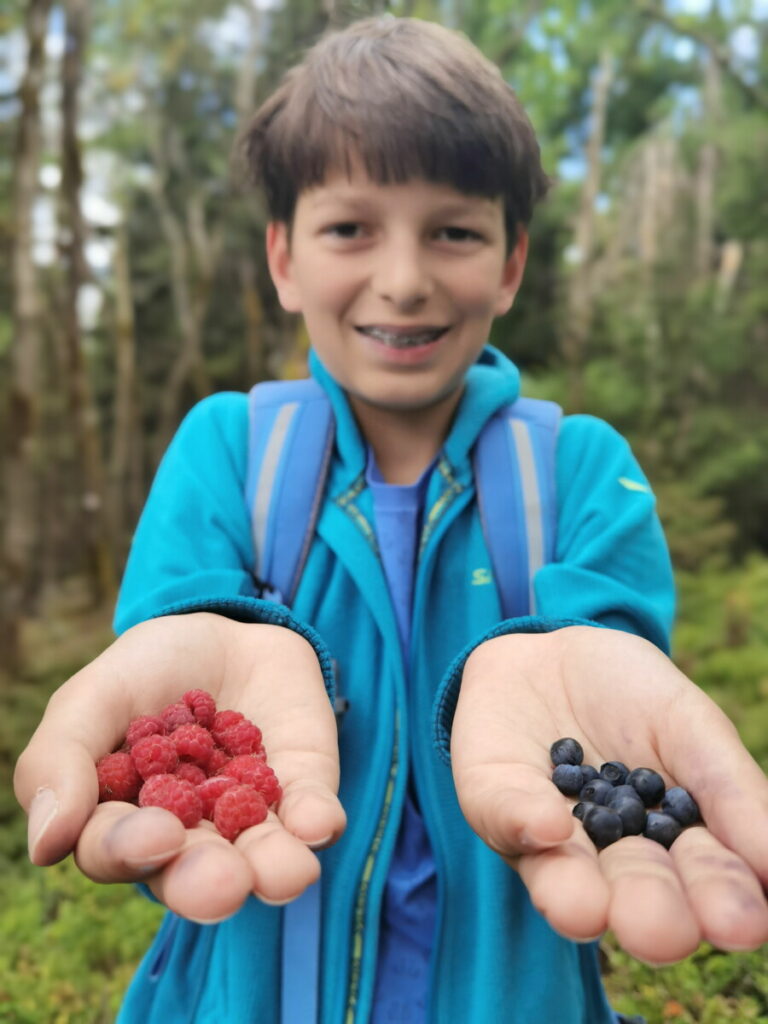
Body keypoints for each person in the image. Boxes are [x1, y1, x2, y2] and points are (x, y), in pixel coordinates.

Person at [14, 15, 768, 1024]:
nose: (404, 279)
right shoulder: (228, 455)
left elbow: (610, 671)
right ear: (283, 257)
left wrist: (566, 661)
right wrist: (184, 751)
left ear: (511, 263)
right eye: (350, 228)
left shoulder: (581, 472)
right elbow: (171, 737)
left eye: (453, 230)